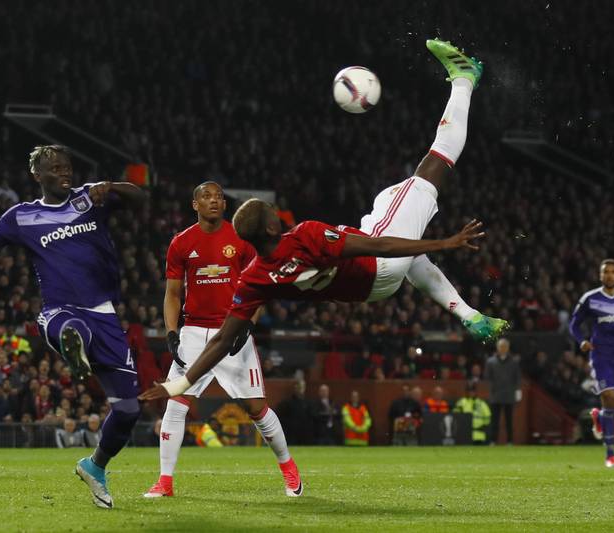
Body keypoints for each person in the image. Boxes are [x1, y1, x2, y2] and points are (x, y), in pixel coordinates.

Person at [141, 40, 507, 403]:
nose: (279, 214)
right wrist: (443, 243)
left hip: (370, 292)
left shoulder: (254, 278)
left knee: (386, 203)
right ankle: (465, 78)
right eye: (273, 214)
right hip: (378, 262)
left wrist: (178, 384)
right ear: (270, 228)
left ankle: (468, 314)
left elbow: (221, 340)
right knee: (434, 165)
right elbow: (381, 245)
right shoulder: (305, 236)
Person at [0, 144, 144, 508]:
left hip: (105, 312)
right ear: (37, 175)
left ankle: (95, 466)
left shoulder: (89, 199)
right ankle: (75, 346)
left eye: (68, 167)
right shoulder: (21, 217)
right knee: (72, 328)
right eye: (56, 168)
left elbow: (141, 198)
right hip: (59, 310)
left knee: (128, 411)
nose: (65, 173)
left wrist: (111, 186)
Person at [144, 182, 301, 499]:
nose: (213, 201)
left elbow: (259, 285)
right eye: (206, 196)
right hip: (193, 334)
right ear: (195, 204)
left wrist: (248, 325)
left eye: (217, 197)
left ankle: (289, 470)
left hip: (232, 329)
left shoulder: (241, 240)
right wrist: (172, 332)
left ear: (224, 205)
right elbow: (173, 294)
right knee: (176, 406)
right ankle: (165, 481)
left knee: (256, 408)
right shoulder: (181, 243)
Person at [569, 259, 614, 468]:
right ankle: (610, 454)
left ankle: (598, 416)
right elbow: (574, 324)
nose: (609, 275)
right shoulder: (590, 299)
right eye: (605, 272)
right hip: (601, 355)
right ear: (600, 276)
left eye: (613, 272)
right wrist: (582, 341)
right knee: (608, 398)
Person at [484, 338, 521, 445]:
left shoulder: (514, 362)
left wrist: (518, 390)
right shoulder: (491, 362)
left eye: (505, 346)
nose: (503, 348)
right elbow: (487, 376)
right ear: (497, 348)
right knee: (494, 420)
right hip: (495, 395)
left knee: (509, 421)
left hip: (509, 395)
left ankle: (510, 441)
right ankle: (493, 441)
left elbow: (517, 377)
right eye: (501, 346)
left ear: (508, 348)